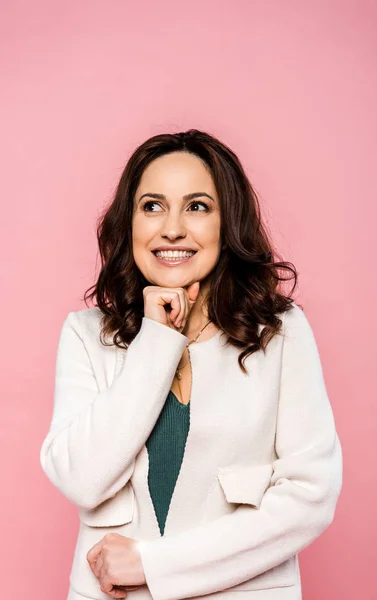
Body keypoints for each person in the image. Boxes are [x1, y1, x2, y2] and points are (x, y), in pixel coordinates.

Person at [40, 129, 343, 600]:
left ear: (227, 224)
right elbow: (82, 477)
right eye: (152, 206)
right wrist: (157, 340)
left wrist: (155, 565)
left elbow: (309, 498)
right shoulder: (85, 335)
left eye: (197, 206)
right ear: (130, 223)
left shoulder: (280, 333)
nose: (173, 228)